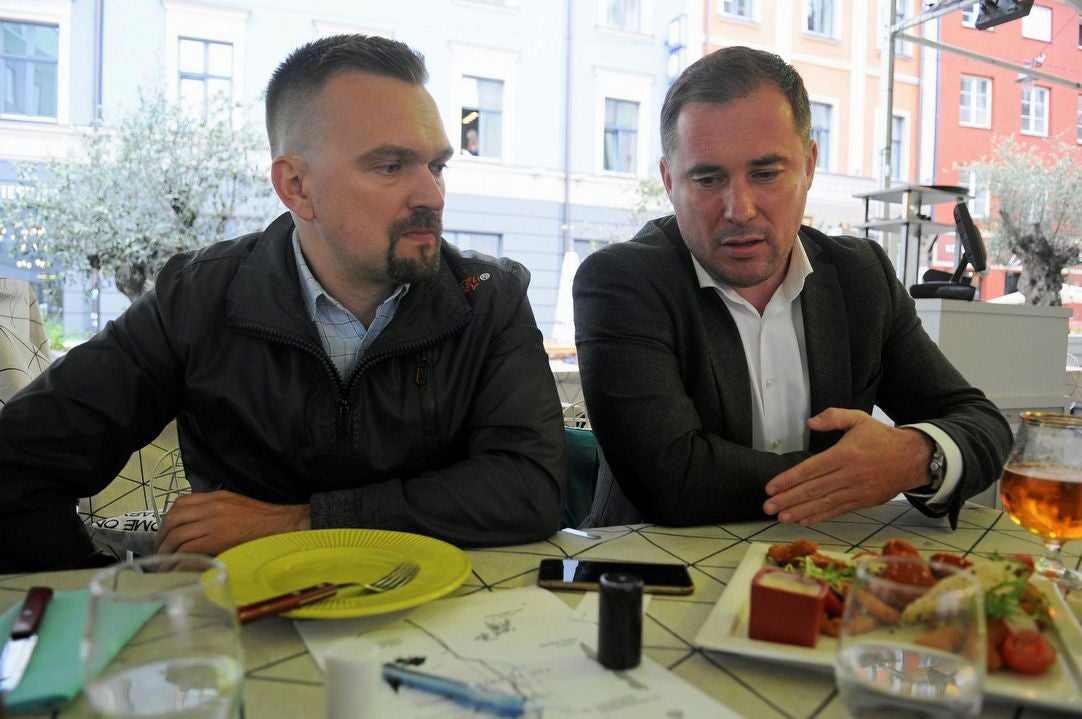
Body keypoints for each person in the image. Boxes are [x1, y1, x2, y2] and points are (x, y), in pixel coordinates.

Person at [0, 35, 566, 572]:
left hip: (443, 609)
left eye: (436, 166)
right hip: (244, 618)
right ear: (296, 186)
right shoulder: (198, 299)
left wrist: (301, 522)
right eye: (391, 166)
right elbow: (17, 468)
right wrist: (108, 599)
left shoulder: (488, 296)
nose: (432, 196)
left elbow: (530, 487)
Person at [573, 46, 1011, 529]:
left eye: (765, 174)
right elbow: (674, 480)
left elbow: (981, 424)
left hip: (822, 563)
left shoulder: (861, 277)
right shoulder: (622, 283)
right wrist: (857, 475)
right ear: (668, 180)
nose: (739, 209)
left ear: (809, 165)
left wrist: (915, 456)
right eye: (708, 179)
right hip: (651, 566)